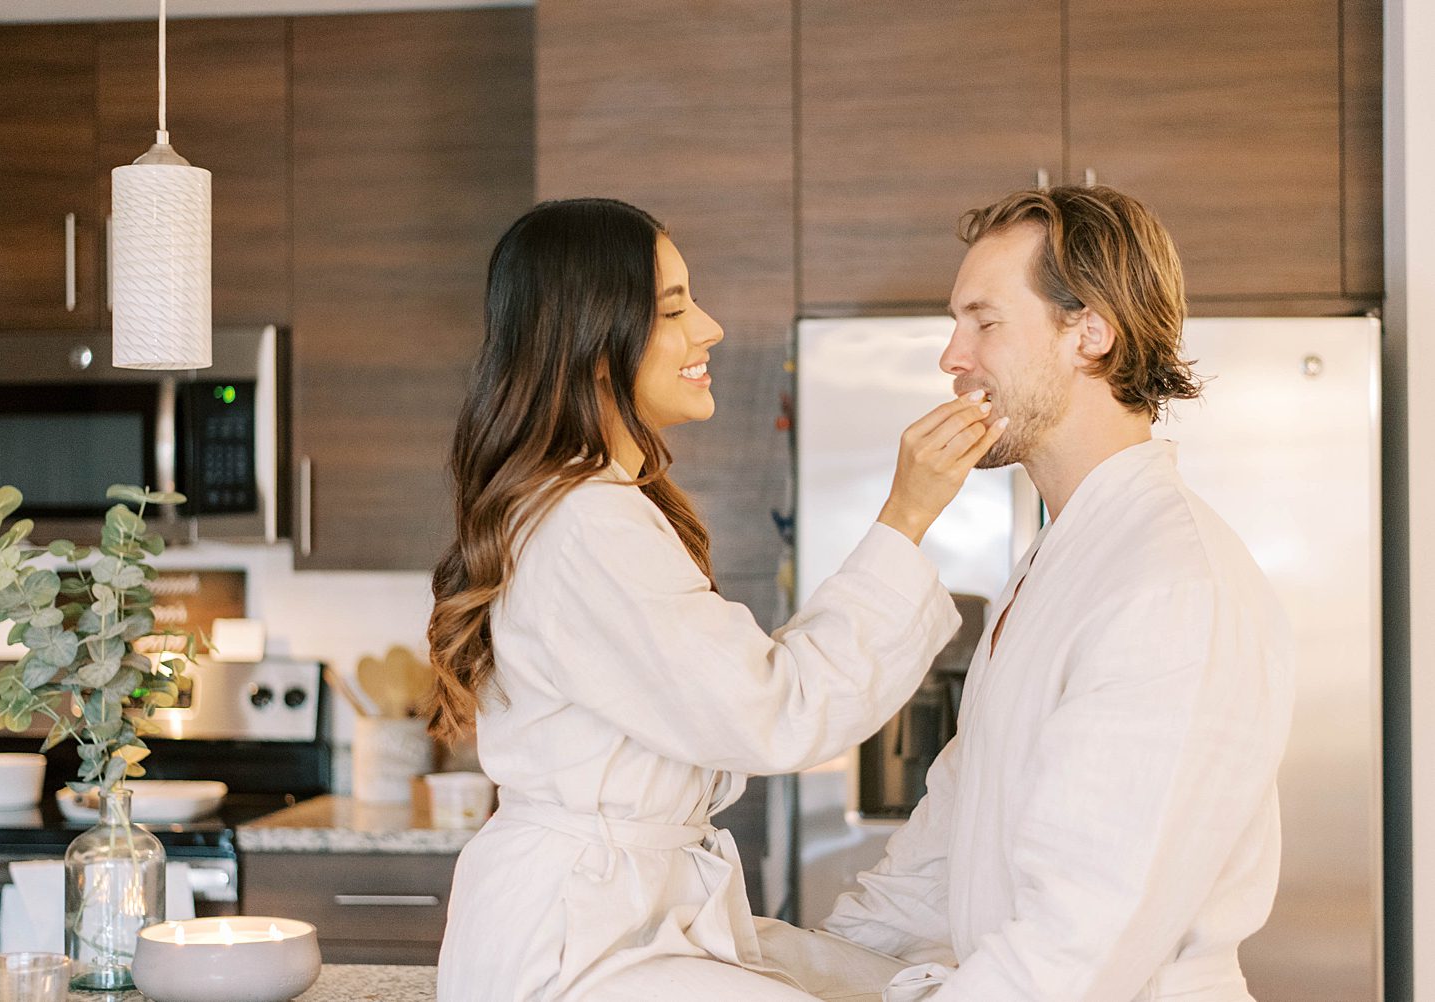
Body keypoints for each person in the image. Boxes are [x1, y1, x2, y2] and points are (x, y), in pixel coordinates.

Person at [425, 197, 1007, 1001]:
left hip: (608, 912)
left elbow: (740, 694)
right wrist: (906, 515)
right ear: (596, 343)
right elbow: (775, 710)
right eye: (673, 308)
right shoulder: (587, 521)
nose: (710, 328)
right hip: (580, 937)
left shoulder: (588, 507)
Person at [781, 185, 1294, 1002]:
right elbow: (952, 831)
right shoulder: (1057, 558)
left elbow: (1080, 943)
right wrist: (804, 962)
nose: (952, 357)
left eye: (984, 322)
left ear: (1088, 334)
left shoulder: (1169, 586)